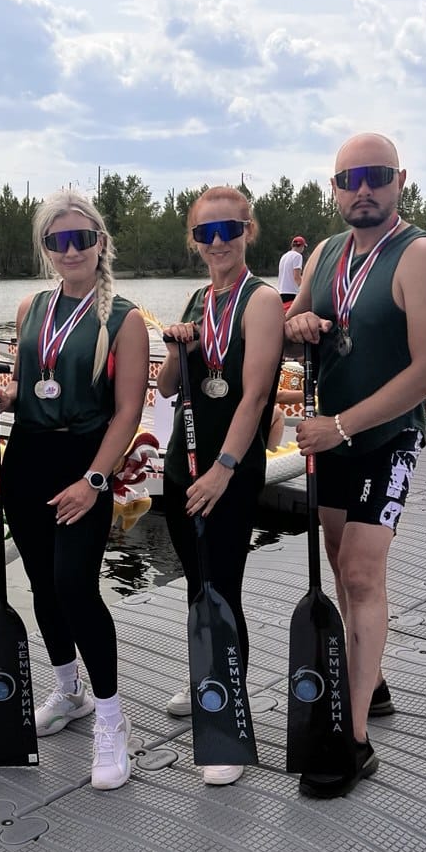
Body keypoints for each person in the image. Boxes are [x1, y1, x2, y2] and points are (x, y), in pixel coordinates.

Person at [285, 133, 426, 799]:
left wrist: (342, 425)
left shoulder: (425, 255)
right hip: (333, 442)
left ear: (400, 180)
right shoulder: (326, 253)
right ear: (334, 189)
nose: (363, 189)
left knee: (361, 572)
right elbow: (295, 323)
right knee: (339, 560)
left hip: (384, 438)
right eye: (349, 178)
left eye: (376, 175)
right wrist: (300, 325)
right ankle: (373, 680)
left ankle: (352, 740)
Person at [0, 191, 148, 790]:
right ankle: (68, 689)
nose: (70, 250)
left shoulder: (125, 318)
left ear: (100, 243)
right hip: (28, 457)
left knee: (76, 586)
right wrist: (2, 397)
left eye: (82, 239)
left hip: (85, 460)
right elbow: (26, 384)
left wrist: (95, 480)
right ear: (47, 248)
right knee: (43, 585)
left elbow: (128, 412)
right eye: (58, 241)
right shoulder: (31, 307)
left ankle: (111, 717)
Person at [158, 186, 284, 785]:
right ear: (194, 240)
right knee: (196, 584)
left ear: (247, 231)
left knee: (224, 588)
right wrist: (175, 348)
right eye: (205, 233)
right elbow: (166, 387)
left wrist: (223, 468)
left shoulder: (262, 301)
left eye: (228, 229)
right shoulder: (196, 300)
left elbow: (254, 396)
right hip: (182, 464)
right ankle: (205, 681)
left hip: (228, 469)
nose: (217, 242)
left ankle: (229, 718)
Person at [277, 236, 306, 304]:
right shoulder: (298, 256)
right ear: (301, 246)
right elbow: (296, 277)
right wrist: (304, 289)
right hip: (291, 293)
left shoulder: (284, 256)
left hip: (281, 292)